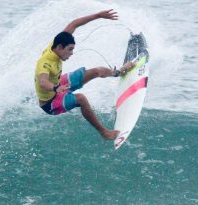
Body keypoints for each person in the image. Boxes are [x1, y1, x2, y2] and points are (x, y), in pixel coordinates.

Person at [34, 9, 134, 140]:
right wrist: (55, 88)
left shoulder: (57, 43)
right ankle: (104, 132)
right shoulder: (45, 62)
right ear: (59, 48)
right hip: (50, 102)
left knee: (97, 71)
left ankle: (119, 72)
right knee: (81, 98)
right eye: (69, 50)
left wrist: (98, 15)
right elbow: (43, 81)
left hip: (59, 85)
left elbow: (74, 24)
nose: (71, 53)